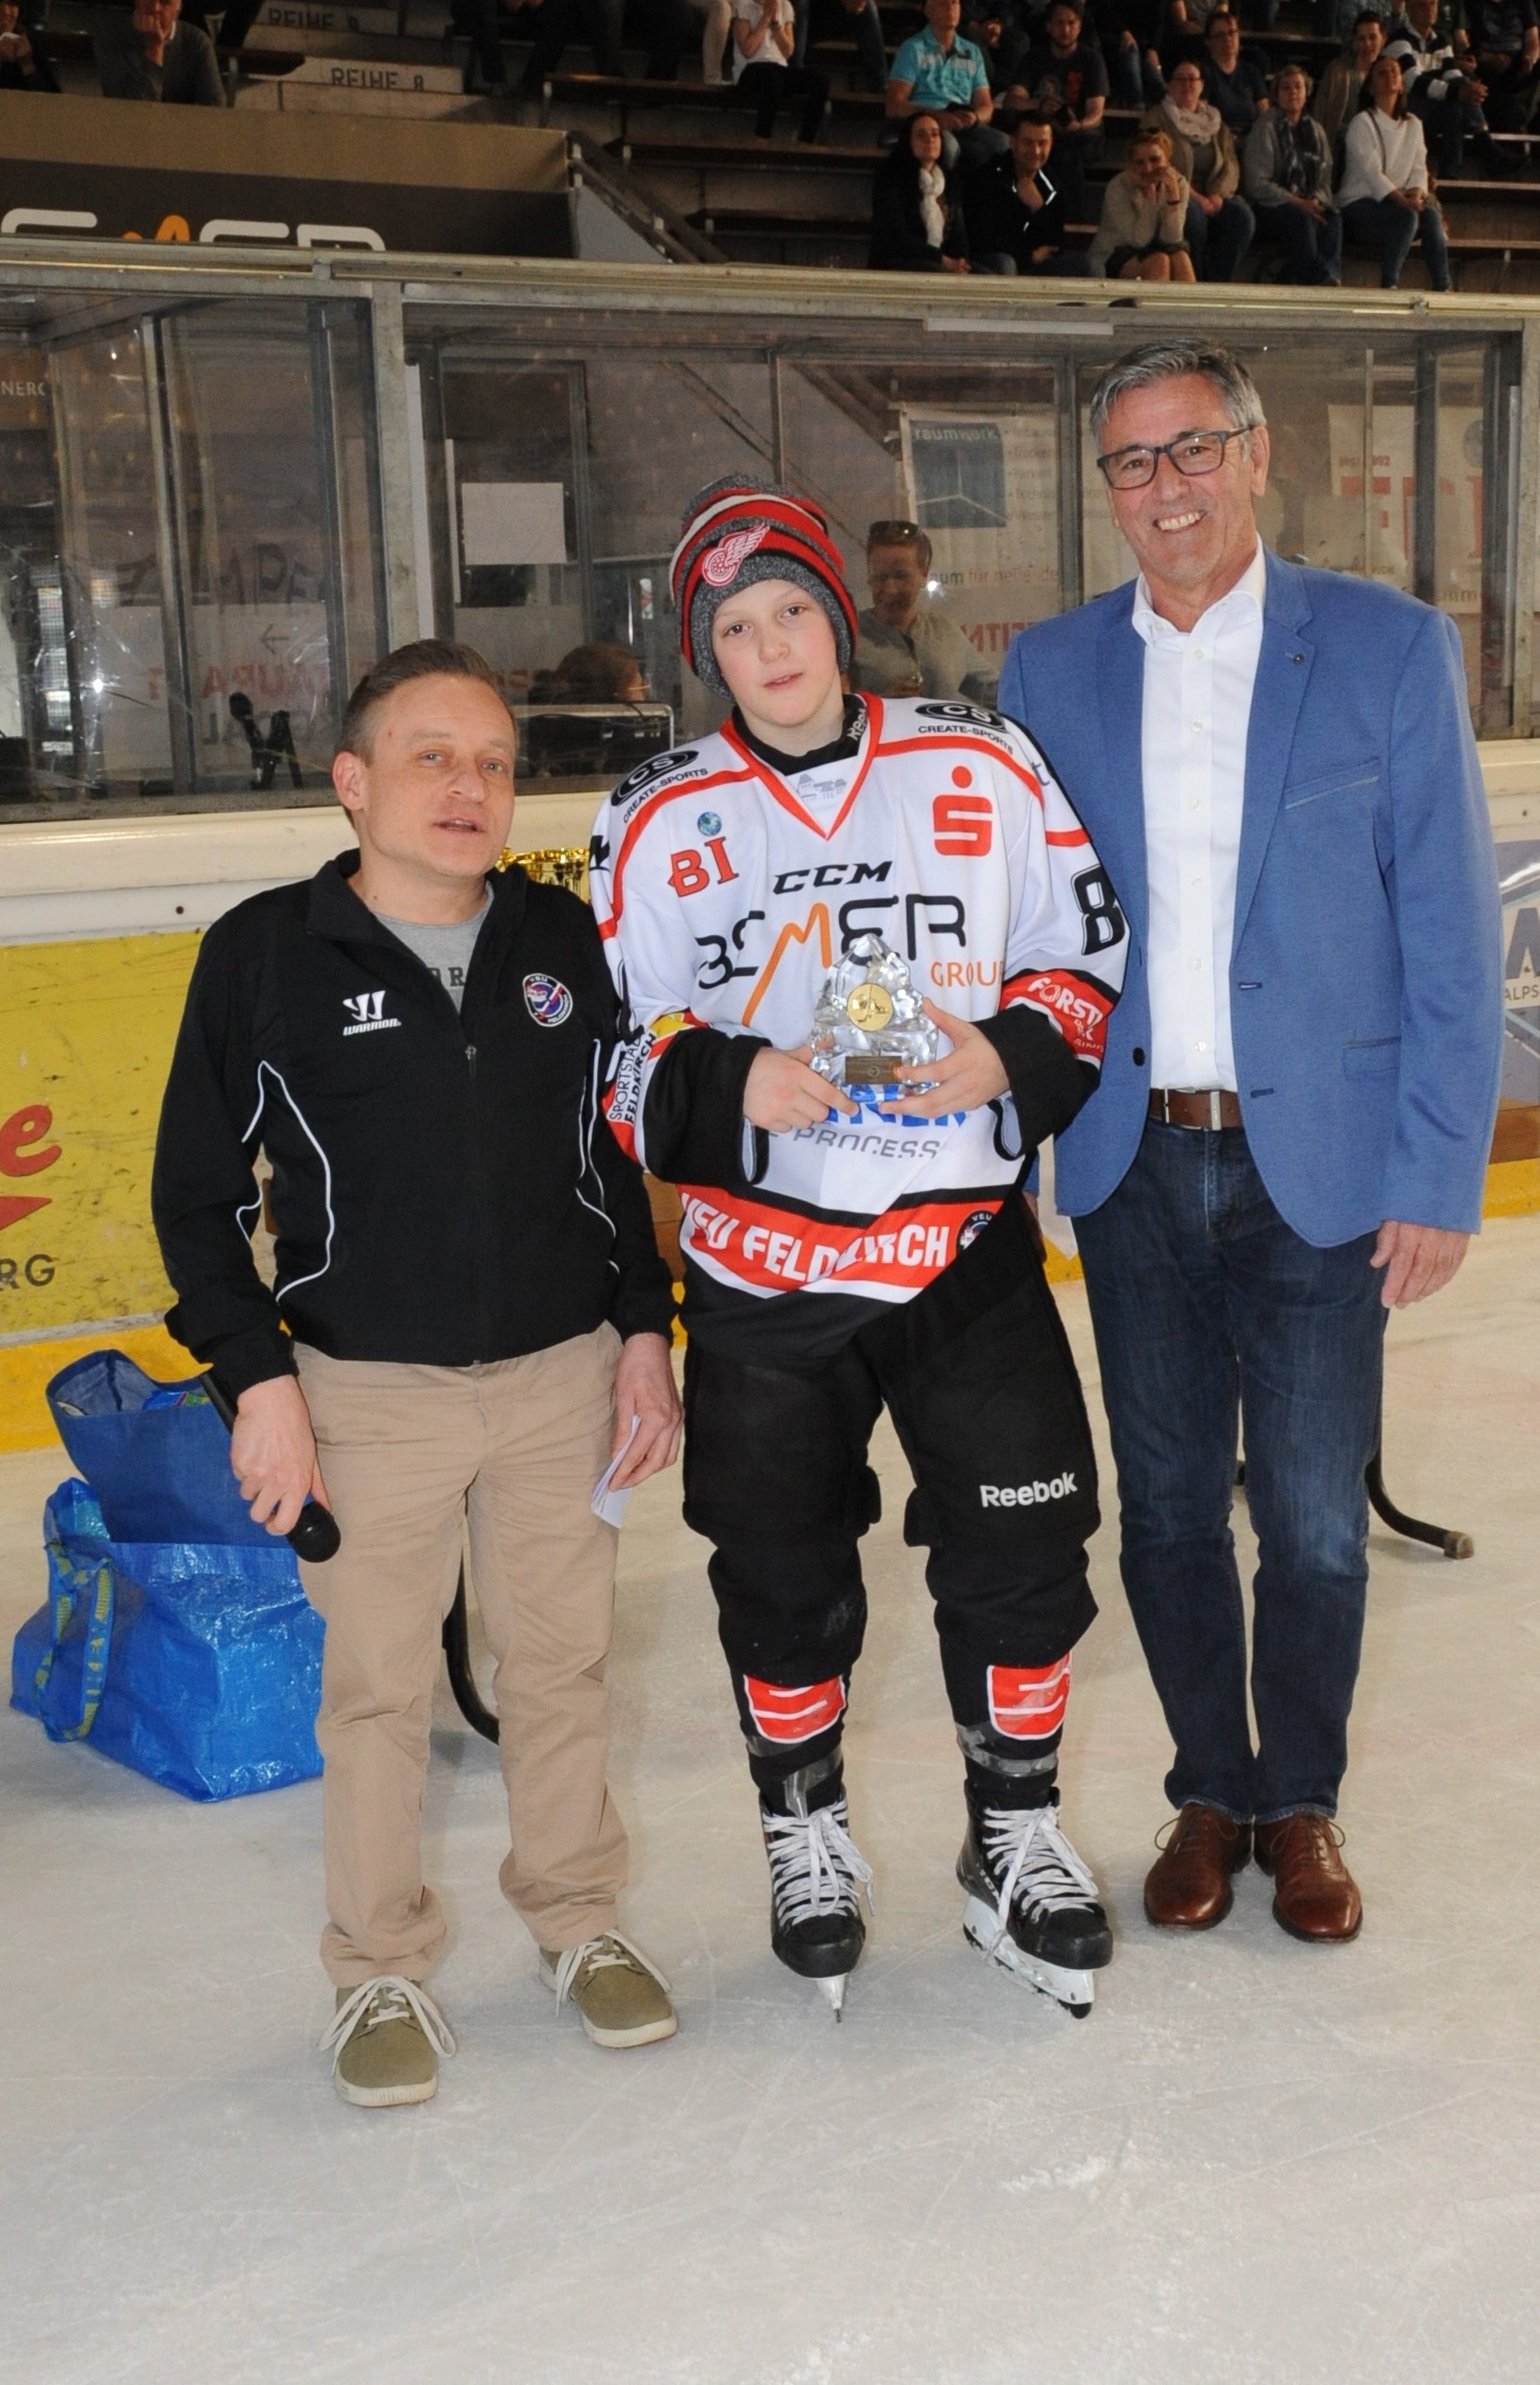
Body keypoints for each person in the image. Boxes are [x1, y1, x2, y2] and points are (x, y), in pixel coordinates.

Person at [593, 478, 1130, 2019]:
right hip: (764, 1275)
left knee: (1024, 1549)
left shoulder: (979, 758)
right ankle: (803, 1825)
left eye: (792, 610)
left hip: (962, 1250)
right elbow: (613, 1051)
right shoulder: (653, 816)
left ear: (839, 614)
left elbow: (1081, 947)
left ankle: (1011, 1830)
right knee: (777, 1569)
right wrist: (724, 1082)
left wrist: (1010, 1053)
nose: (771, 646)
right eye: (735, 628)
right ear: (707, 654)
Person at [999, 339, 1502, 1947]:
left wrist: (1437, 1171)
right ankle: (1209, 1789)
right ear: (1108, 490)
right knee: (1161, 1510)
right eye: (1134, 462)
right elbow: (1019, 928)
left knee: (1312, 1522)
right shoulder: (1048, 671)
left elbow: (1448, 929)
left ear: (1258, 454)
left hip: (1324, 1172)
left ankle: (1301, 1802)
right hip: (1129, 1160)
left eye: (1194, 448)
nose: (1167, 487)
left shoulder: (1387, 647)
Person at [151, 640, 682, 2107]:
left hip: (563, 1375)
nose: (470, 786)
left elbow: (613, 1159)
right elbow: (194, 1201)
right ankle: (376, 1963)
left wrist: (646, 1331)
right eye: (433, 755)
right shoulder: (265, 953)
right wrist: (259, 1383)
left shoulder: (561, 938)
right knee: (379, 1690)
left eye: (495, 762)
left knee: (559, 1666)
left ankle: (577, 1916)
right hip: (364, 1393)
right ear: (352, 780)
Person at [1338, 50, 1452, 289]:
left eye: (1394, 72)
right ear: (1371, 87)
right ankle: (1390, 284)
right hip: (1361, 206)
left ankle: (1443, 285)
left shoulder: (1413, 124)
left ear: (1402, 83)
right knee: (1407, 216)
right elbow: (1373, 175)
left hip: (1397, 204)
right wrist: (1405, 202)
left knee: (1430, 215)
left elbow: (1419, 167)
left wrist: (1416, 195)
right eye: (1381, 73)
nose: (1389, 76)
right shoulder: (1362, 122)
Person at [852, 518, 1000, 697]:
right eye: (881, 577)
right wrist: (881, 703)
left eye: (901, 577)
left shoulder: (946, 633)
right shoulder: (849, 637)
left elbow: (995, 692)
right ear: (869, 574)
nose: (890, 589)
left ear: (924, 574)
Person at [1141, 56, 1256, 280]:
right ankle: (1195, 281)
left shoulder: (1216, 123)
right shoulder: (1157, 118)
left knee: (1242, 217)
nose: (1187, 84)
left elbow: (1231, 165)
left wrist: (1217, 195)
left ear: (1201, 85)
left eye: (1192, 79)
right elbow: (1156, 164)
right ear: (1170, 85)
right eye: (1180, 79)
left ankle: (1218, 283)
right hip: (1174, 195)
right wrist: (1195, 197)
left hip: (1213, 197)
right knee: (1193, 216)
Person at [1004, 0, 1109, 226]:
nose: (1066, 29)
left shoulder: (1091, 60)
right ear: (1049, 26)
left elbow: (1096, 112)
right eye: (1060, 23)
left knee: (1068, 153)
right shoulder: (1034, 57)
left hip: (1077, 135)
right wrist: (1038, 104)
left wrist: (1078, 124)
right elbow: (1012, 100)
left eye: (1071, 23)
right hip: (1042, 131)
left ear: (1079, 26)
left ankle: (1071, 224)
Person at [1241, 62, 1343, 283]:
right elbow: (1257, 183)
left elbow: (1325, 179)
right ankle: (1310, 282)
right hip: (1271, 206)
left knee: (1333, 219)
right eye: (1286, 88)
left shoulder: (1316, 130)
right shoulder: (1265, 127)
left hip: (1308, 203)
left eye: (1298, 86)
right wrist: (1297, 202)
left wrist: (1315, 201)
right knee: (1301, 220)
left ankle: (1327, 276)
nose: (1293, 92)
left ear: (1307, 92)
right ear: (1276, 94)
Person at [965, 108, 1094, 273]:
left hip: (1037, 261)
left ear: (1051, 144)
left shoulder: (1051, 181)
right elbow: (982, 240)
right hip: (996, 262)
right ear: (1013, 142)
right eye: (1028, 142)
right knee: (1006, 264)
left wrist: (1038, 208)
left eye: (1042, 143)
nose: (1036, 151)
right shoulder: (988, 176)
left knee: (1087, 265)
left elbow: (1055, 243)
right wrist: (1027, 255)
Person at [887, 0, 1009, 171]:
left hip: (962, 120)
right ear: (928, 9)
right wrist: (936, 116)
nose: (951, 7)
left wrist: (975, 117)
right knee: (949, 146)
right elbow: (894, 105)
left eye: (955, 3)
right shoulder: (912, 48)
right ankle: (939, 187)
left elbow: (986, 106)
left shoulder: (972, 51)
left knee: (1004, 143)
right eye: (943, 3)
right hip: (928, 119)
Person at [1384, 0, 1488, 179]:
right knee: (1455, 96)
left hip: (1432, 105)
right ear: (1409, 10)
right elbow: (1412, 81)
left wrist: (1469, 88)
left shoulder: (1441, 40)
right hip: (1404, 105)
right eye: (1422, 5)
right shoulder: (1399, 39)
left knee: (1456, 102)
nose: (1429, 10)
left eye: (1432, 4)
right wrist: (1457, 91)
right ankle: (1485, 143)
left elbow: (1451, 74)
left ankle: (1452, 173)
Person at [868, 111, 974, 268]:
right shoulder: (890, 176)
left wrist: (960, 262)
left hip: (942, 261)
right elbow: (895, 237)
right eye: (921, 135)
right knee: (933, 270)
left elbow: (958, 234)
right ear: (908, 141)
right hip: (899, 261)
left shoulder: (950, 179)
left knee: (987, 274)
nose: (930, 139)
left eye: (935, 134)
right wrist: (942, 260)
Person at [1087, 127, 1196, 275]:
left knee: (1181, 258)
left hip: (1155, 248)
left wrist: (1173, 198)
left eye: (1154, 159)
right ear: (1131, 164)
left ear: (1167, 157)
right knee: (1159, 261)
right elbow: (1139, 241)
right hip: (1116, 252)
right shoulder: (1118, 186)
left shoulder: (1179, 183)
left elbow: (1172, 239)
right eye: (1140, 162)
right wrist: (1149, 198)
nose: (1148, 168)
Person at [729, 0, 828, 136]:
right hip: (749, 68)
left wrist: (776, 26)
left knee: (820, 81)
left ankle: (806, 139)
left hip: (778, 67)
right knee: (772, 79)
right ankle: (762, 137)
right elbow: (748, 50)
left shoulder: (785, 5)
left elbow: (788, 51)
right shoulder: (743, 4)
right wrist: (765, 19)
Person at [95, 0, 224, 105]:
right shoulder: (112, 35)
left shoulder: (196, 41)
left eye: (165, 2)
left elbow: (214, 106)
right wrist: (154, 49)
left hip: (180, 126)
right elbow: (133, 110)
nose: (155, 8)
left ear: (178, 10)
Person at [1466, 0, 1540, 134]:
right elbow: (1465, 43)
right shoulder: (1472, 4)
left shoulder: (1523, 3)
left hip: (1517, 65)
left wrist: (1530, 59)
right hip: (1485, 65)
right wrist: (1488, 57)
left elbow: (1533, 39)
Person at [1313, 9, 1387, 146]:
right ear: (1355, 42)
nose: (1367, 44)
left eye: (1372, 37)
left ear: (1383, 38)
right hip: (1342, 144)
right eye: (1361, 39)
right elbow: (1320, 112)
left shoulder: (1389, 74)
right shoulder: (1337, 72)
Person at [1197, 7, 1269, 136]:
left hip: (1251, 138)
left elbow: (1265, 112)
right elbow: (1200, 114)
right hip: (1218, 138)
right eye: (1220, 35)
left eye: (1232, 33)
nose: (1227, 39)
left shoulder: (1251, 71)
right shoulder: (1203, 72)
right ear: (1208, 42)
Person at [791, 0, 887, 95]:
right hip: (796, 19)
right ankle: (795, 78)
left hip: (828, 16)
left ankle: (880, 84)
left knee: (868, 7)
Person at [1087, 0, 1167, 110]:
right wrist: (1123, 31)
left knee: (1151, 68)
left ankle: (1167, 101)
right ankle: (1137, 104)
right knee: (1131, 52)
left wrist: (1153, 48)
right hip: (1113, 35)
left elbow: (1159, 21)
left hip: (1144, 42)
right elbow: (1105, 10)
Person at [0, 0, 58, 88]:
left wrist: (27, 64)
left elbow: (51, 95)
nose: (6, 12)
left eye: (12, 4)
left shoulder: (30, 44)